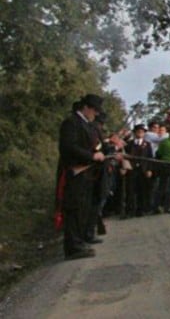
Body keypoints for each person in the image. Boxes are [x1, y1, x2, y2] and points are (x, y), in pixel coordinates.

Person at [56, 94, 106, 260]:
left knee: (83, 209)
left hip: (87, 173)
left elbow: (94, 144)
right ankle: (73, 246)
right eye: (95, 110)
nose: (96, 114)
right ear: (86, 108)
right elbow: (69, 147)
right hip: (75, 172)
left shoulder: (86, 125)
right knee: (74, 209)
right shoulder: (71, 123)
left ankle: (80, 240)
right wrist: (91, 156)